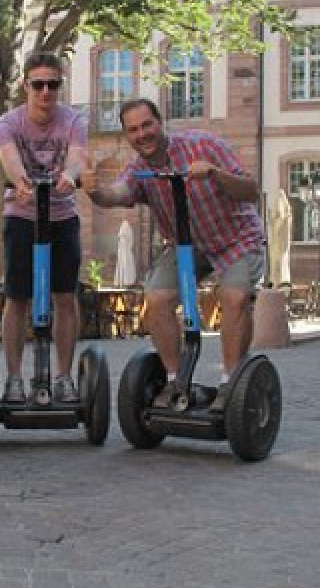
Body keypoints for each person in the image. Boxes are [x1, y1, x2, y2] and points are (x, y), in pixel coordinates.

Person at [86, 98, 265, 408]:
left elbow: (251, 190)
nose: (142, 134)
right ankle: (174, 381)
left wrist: (214, 174)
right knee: (156, 298)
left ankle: (230, 383)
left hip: (238, 238)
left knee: (234, 297)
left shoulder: (204, 145)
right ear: (127, 136)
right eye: (133, 130)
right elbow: (117, 194)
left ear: (160, 122)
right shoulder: (138, 169)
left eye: (147, 125)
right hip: (188, 246)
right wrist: (94, 191)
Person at [0, 51, 88, 405]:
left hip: (62, 216)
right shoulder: (8, 122)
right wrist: (20, 182)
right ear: (26, 86)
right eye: (38, 84)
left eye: (53, 84)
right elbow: (8, 156)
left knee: (65, 297)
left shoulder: (74, 120)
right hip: (21, 216)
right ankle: (15, 378)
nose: (46, 92)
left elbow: (78, 155)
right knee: (17, 298)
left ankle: (63, 376)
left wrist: (69, 175)